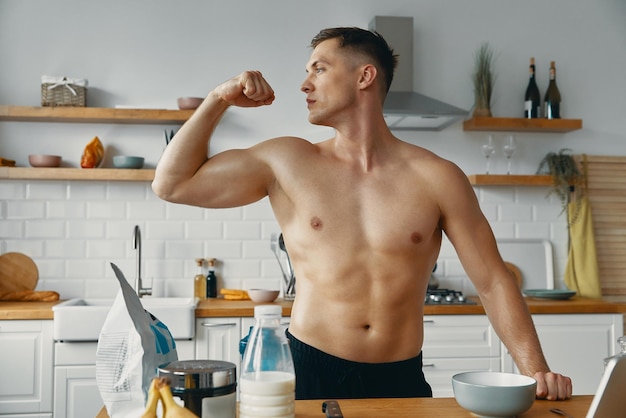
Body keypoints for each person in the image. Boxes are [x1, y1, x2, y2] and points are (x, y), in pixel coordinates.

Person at [152, 26, 572, 401]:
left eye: (318, 69)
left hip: (400, 377)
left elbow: (494, 281)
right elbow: (171, 184)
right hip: (307, 371)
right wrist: (217, 100)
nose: (304, 84)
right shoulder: (286, 161)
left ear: (364, 76)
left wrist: (535, 370)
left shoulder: (438, 177)